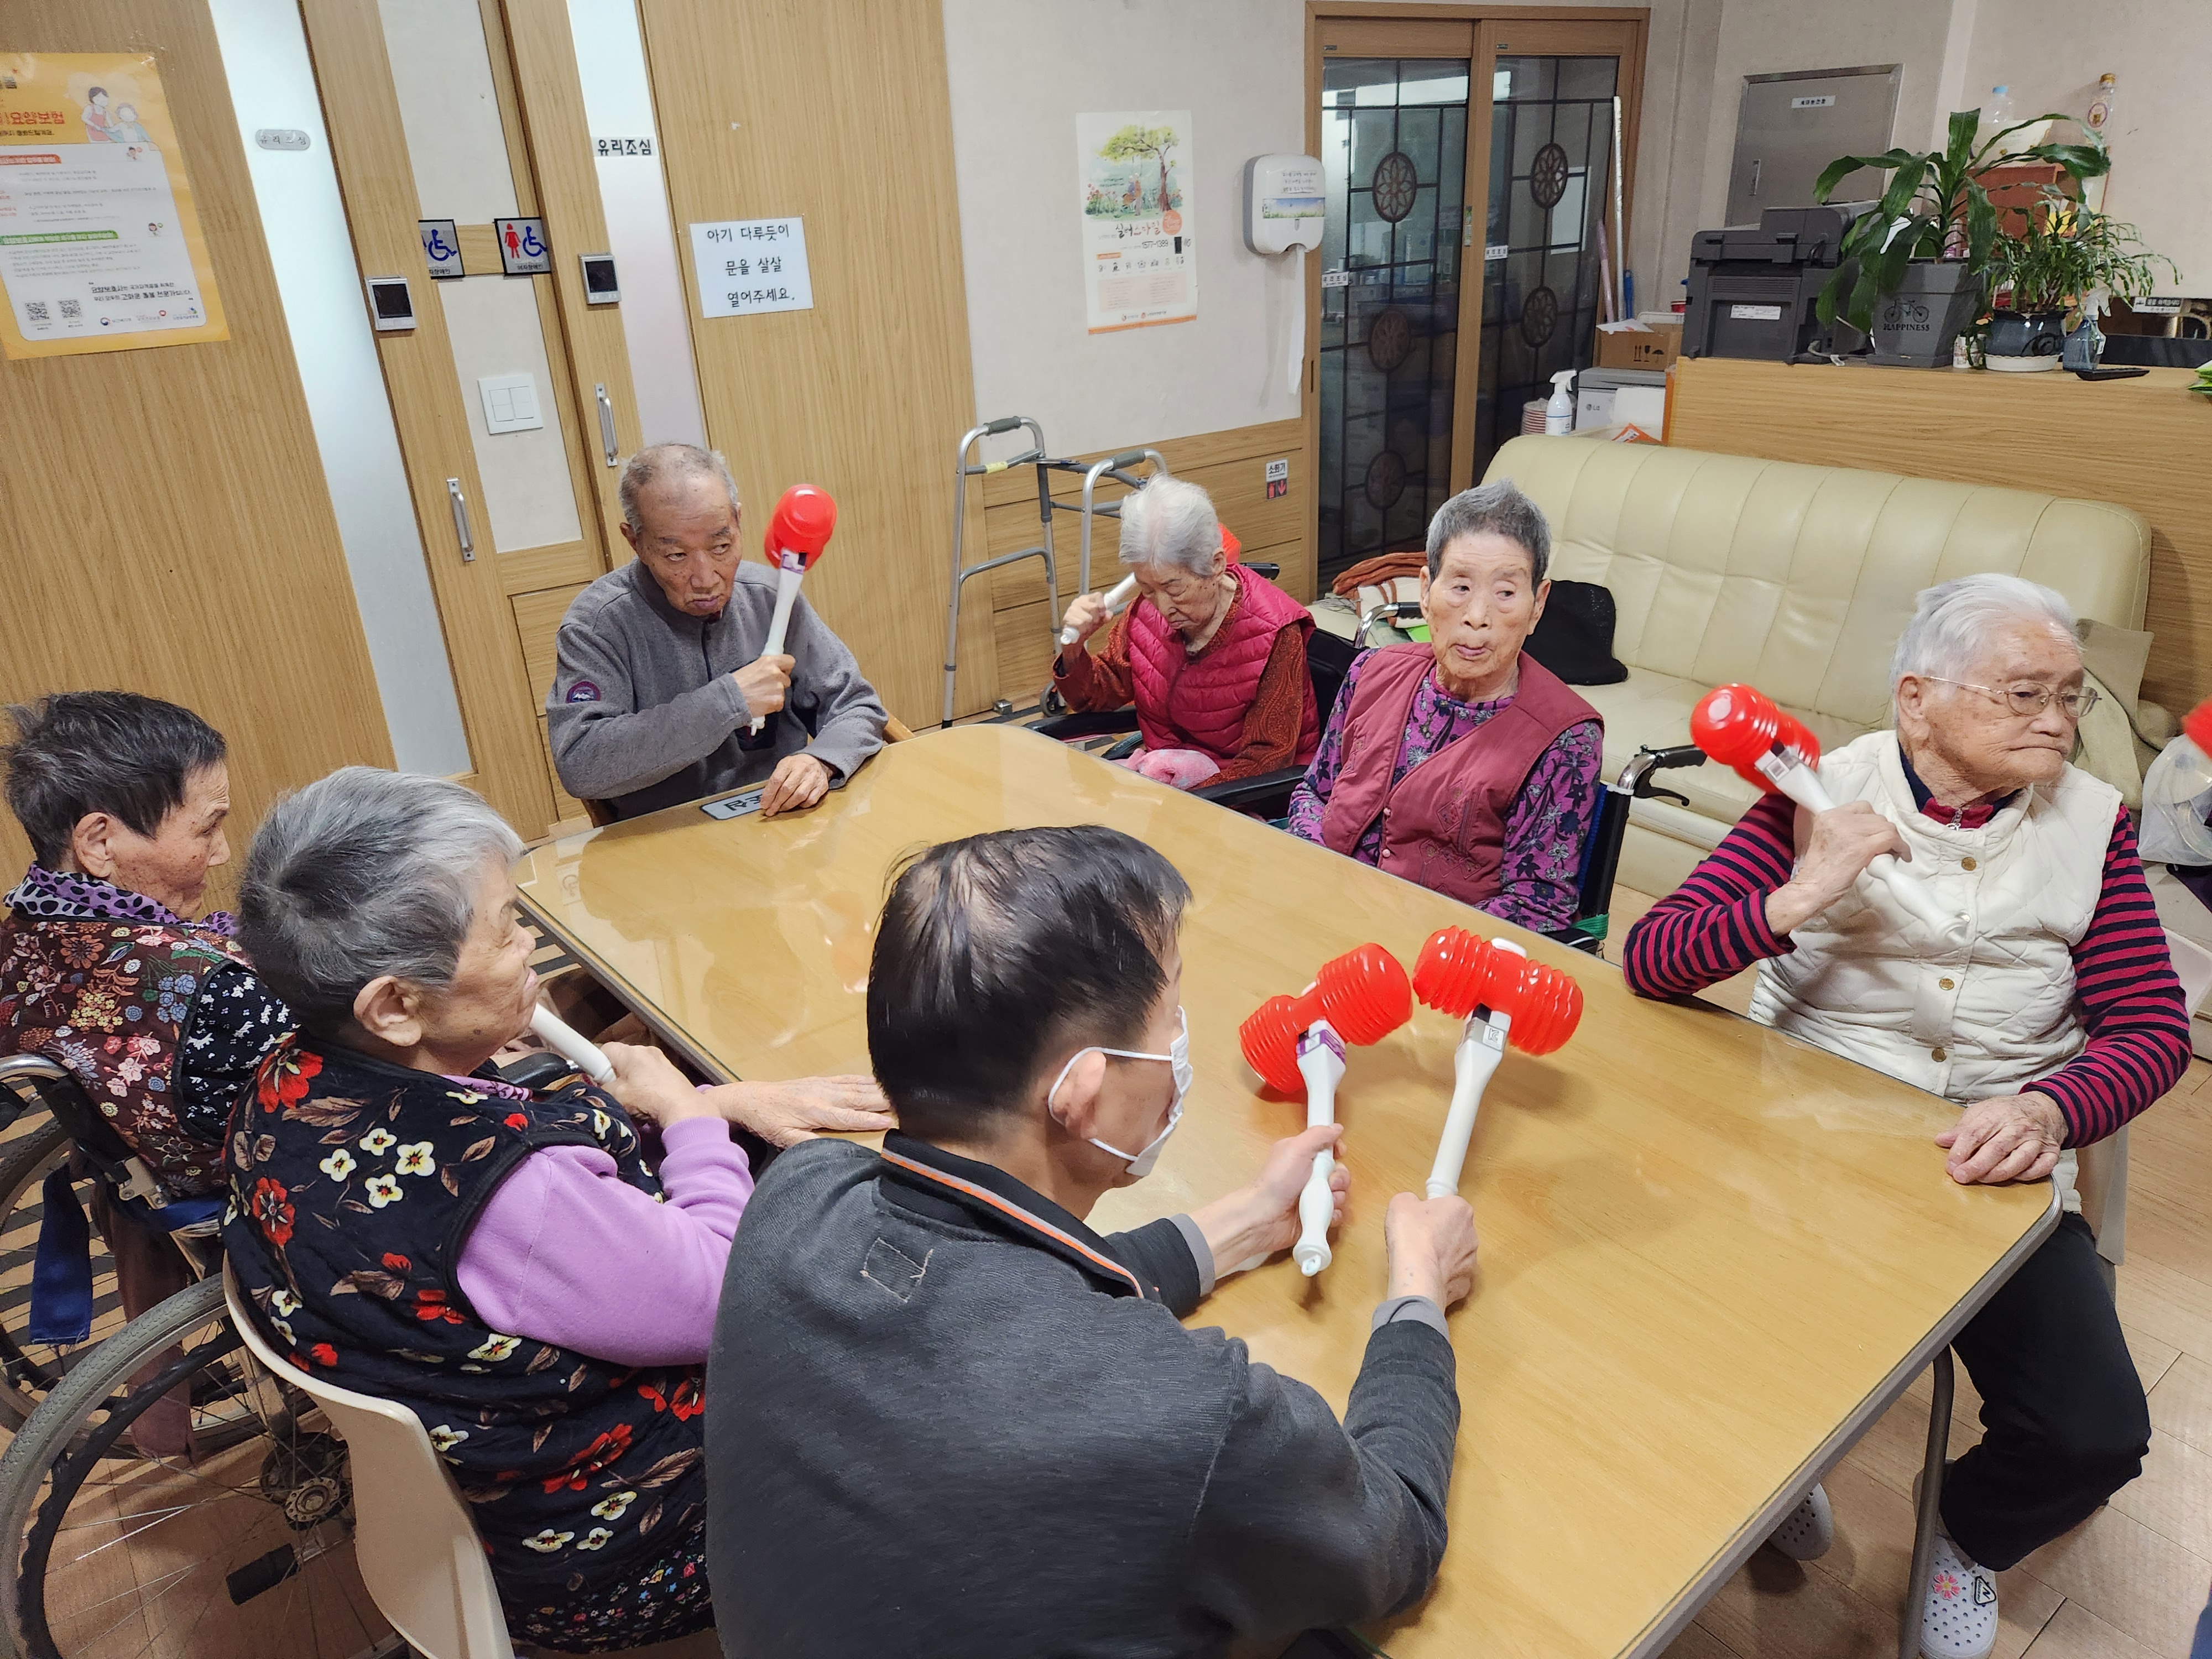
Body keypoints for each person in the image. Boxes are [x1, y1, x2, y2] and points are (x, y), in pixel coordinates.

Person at [705, 825, 1480, 1656]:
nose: (1180, 1045)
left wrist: (1245, 1221)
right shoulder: (1197, 1422)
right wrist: (1418, 1291)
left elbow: (1006, 1289)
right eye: (1171, 1017)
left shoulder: (798, 1193)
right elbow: (1391, 1541)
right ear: (1083, 1094)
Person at [1622, 574, 2189, 1659]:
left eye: (2069, 696)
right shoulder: (1818, 790)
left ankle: (1965, 1533)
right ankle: (1773, 1466)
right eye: (2023, 693)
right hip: (1798, 1143)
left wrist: (2049, 1107)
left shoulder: (2090, 823)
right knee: (1689, 1340)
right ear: (1916, 699)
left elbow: (2153, 1026)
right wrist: (1799, 892)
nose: (2057, 721)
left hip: (1992, 1164)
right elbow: (1653, 962)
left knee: (2092, 1433)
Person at [223, 767, 894, 1651]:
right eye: (506, 929)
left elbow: (525, 1158)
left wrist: (723, 1102)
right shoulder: (511, 1197)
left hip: (476, 1486)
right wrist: (691, 1122)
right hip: (619, 1550)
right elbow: (727, 1296)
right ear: (396, 1005)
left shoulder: (287, 1082)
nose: (529, 946)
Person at [1, 693, 288, 1197]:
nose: (222, 853)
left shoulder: (23, 934)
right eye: (208, 827)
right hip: (260, 1191)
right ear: (100, 843)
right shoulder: (214, 987)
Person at [1287, 479, 1603, 935]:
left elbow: (1536, 904)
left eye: (1506, 593)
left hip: (1441, 955)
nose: (1477, 616)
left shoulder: (1566, 738)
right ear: (1426, 590)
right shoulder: (1370, 671)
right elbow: (1314, 794)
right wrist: (1315, 880)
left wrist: (1416, 945)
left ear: (1538, 605)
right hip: (1320, 912)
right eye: (1460, 587)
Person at [547, 443, 888, 820]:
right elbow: (581, 762)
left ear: (738, 521)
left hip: (778, 820)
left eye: (721, 546)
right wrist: (730, 701)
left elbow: (856, 706)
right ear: (635, 542)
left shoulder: (769, 597)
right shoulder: (598, 625)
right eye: (677, 555)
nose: (706, 578)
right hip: (665, 835)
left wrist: (821, 761)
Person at [1053, 474, 1319, 790]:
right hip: (1165, 778)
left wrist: (1180, 801)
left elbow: (1266, 760)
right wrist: (1075, 648)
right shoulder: (1146, 610)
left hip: (1241, 794)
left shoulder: (1275, 631)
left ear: (1216, 564)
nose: (1163, 607)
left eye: (1174, 588)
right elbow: (1098, 697)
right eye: (1147, 588)